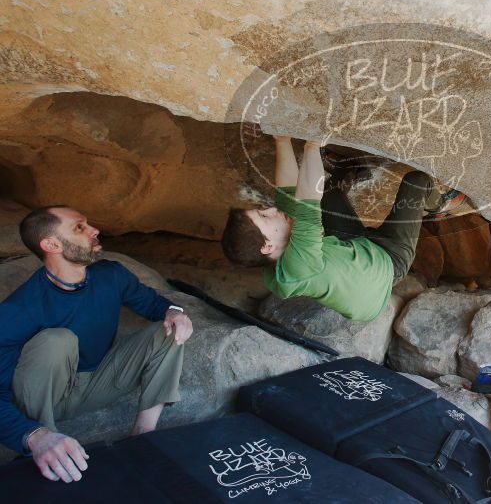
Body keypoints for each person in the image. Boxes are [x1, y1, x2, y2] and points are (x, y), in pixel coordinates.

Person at [0, 206, 193, 483]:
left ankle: (142, 438)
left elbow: (152, 303)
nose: (94, 230)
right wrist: (35, 437)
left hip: (97, 382)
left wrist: (174, 311)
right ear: (51, 244)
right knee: (57, 340)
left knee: (169, 330)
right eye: (80, 227)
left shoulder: (110, 274)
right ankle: (51, 446)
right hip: (44, 399)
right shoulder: (20, 308)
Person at [222, 136, 462, 322]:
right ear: (267, 246)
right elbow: (308, 200)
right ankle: (440, 204)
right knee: (416, 181)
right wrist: (312, 144)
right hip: (389, 261)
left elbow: (288, 193)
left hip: (351, 246)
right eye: (265, 217)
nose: (272, 210)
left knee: (321, 191)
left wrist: (281, 139)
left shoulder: (277, 250)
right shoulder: (298, 267)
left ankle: (351, 173)